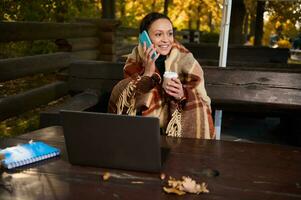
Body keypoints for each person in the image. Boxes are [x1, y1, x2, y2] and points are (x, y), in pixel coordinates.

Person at [108, 12, 215, 139]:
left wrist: (183, 94)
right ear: (145, 37)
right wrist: (148, 72)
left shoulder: (186, 59)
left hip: (176, 126)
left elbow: (203, 101)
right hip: (142, 127)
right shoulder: (136, 57)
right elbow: (127, 99)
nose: (166, 39)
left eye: (170, 33)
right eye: (159, 34)